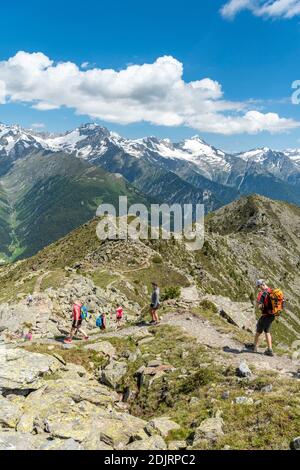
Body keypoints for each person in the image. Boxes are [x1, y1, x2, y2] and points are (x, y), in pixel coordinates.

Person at [248, 280, 278, 357]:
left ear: (261, 285)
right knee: (266, 331)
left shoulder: (261, 293)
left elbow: (259, 306)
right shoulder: (272, 291)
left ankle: (254, 347)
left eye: (258, 286)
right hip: (272, 315)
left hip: (265, 315)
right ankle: (269, 349)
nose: (258, 288)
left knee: (259, 330)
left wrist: (259, 304)